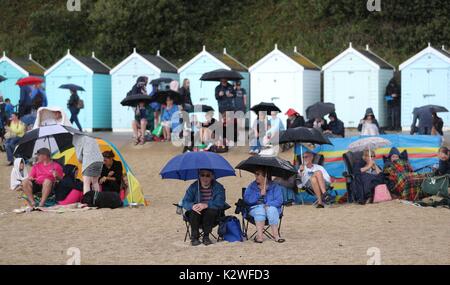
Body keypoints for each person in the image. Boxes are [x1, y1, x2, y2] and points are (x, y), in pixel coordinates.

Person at [181, 169, 226, 246]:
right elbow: (185, 201)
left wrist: (206, 205)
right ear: (199, 176)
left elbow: (221, 202)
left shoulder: (218, 187)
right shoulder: (193, 187)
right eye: (202, 175)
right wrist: (192, 206)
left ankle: (206, 237)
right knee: (194, 211)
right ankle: (194, 238)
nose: (205, 178)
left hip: (212, 217)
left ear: (212, 176)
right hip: (195, 216)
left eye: (208, 175)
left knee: (210, 211)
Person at [244, 168, 285, 243]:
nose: (255, 176)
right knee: (260, 210)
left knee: (271, 210)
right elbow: (247, 200)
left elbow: (279, 201)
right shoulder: (252, 186)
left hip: (271, 208)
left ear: (265, 176)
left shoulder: (275, 187)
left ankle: (276, 236)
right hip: (255, 208)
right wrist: (259, 194)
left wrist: (268, 205)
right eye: (255, 174)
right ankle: (260, 237)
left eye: (258, 174)